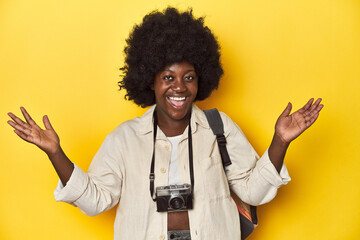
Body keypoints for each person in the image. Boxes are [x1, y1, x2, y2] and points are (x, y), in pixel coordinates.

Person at [7, 7, 323, 240]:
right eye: (168, 78)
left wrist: (280, 140)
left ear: (202, 80)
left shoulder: (219, 128)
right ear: (151, 81)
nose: (179, 87)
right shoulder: (125, 139)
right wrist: (55, 153)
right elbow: (94, 201)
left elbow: (254, 192)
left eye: (189, 78)